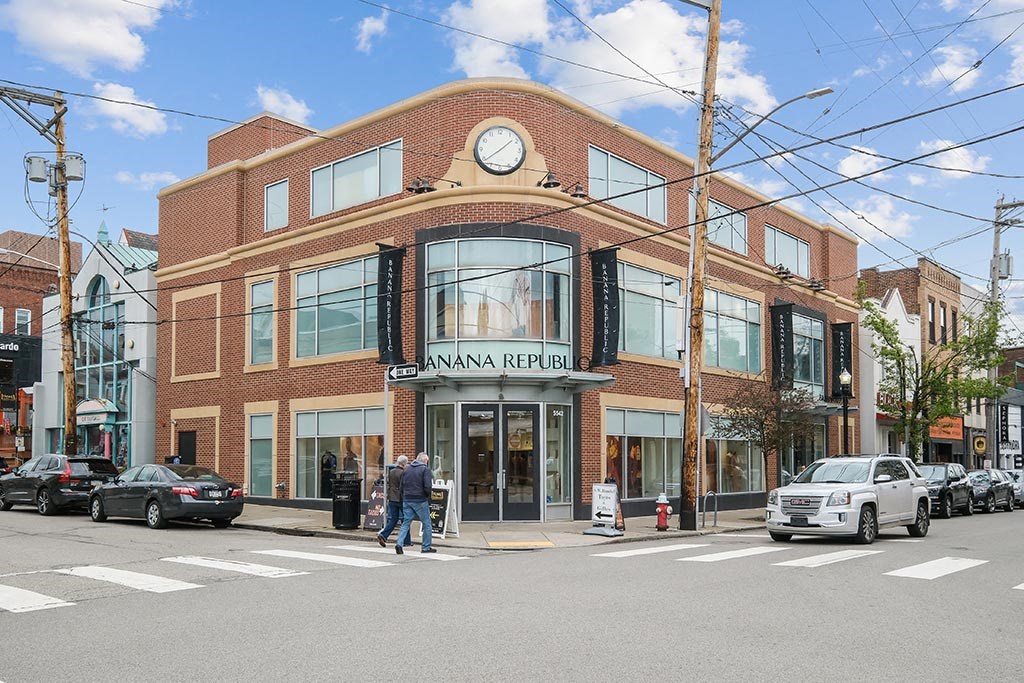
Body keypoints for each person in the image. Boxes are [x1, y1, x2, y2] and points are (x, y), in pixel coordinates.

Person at [395, 452, 435, 554]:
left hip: (407, 499)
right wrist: (427, 496)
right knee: (427, 524)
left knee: (406, 523)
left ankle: (399, 543)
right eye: (427, 461)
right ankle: (426, 547)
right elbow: (427, 486)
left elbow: (401, 486)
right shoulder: (425, 470)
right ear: (425, 461)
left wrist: (403, 497)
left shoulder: (406, 469)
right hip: (420, 500)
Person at [376, 455, 408, 547]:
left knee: (393, 520)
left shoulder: (391, 472)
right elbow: (403, 486)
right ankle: (406, 541)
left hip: (392, 498)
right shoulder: (403, 473)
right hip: (401, 499)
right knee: (406, 520)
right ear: (404, 463)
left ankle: (383, 535)